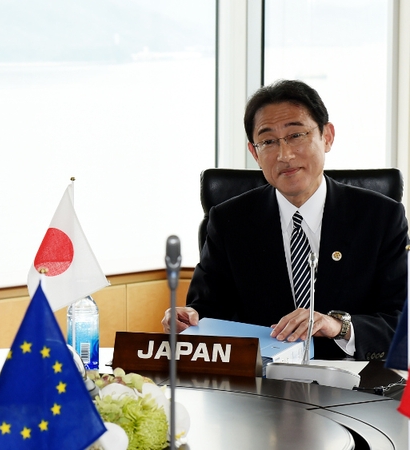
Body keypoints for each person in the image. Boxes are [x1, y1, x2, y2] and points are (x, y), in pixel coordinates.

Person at [162, 79, 407, 360]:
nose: (285, 155)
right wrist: (188, 318)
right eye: (268, 141)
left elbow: (402, 321)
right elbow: (207, 310)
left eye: (296, 136)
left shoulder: (380, 217)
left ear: (327, 136)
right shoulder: (230, 221)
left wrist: (337, 326)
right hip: (259, 384)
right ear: (254, 152)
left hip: (353, 383)